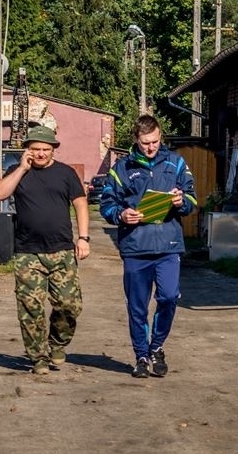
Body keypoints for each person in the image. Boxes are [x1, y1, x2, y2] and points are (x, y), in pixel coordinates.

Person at [99, 115, 197, 378]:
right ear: (136, 140)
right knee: (137, 306)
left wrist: (180, 201)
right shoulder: (121, 168)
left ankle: (157, 347)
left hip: (169, 246)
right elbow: (106, 204)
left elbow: (191, 200)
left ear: (160, 136)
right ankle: (141, 355)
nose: (151, 147)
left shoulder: (176, 163)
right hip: (136, 247)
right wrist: (121, 215)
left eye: (154, 142)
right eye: (145, 143)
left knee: (168, 297)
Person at [0, 125, 90, 375]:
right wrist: (22, 169)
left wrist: (83, 237)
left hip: (62, 251)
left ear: (53, 150)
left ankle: (57, 344)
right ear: (27, 150)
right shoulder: (17, 171)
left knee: (69, 305)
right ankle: (38, 357)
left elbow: (80, 204)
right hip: (28, 253)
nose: (41, 154)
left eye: (46, 149)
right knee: (30, 308)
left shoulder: (65, 173)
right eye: (35, 149)